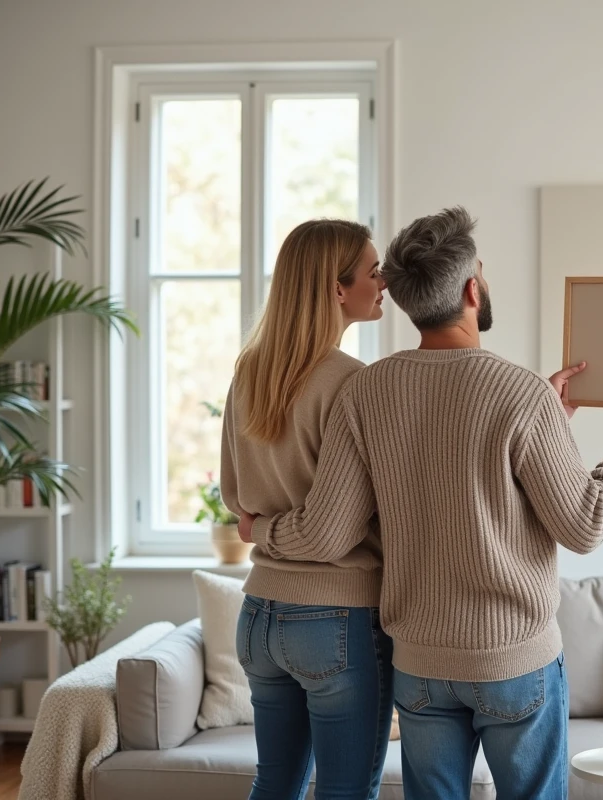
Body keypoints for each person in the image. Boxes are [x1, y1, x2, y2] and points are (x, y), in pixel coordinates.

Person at [242, 206, 603, 800]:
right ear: (472, 289)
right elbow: (586, 524)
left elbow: (342, 519)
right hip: (513, 661)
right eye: (482, 273)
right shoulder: (520, 393)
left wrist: (260, 529)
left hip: (420, 666)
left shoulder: (366, 390)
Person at [220, 219, 392, 800]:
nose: (384, 282)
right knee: (346, 792)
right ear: (337, 288)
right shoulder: (354, 383)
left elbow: (236, 501)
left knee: (274, 785)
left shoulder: (249, 370)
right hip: (335, 619)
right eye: (373, 271)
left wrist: (261, 529)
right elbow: (327, 537)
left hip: (259, 617)